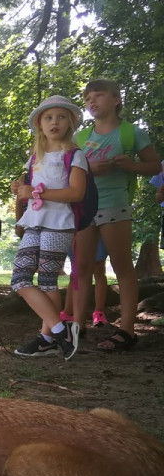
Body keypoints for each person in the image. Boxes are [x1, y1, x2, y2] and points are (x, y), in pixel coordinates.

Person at [73, 79, 161, 351]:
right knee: (82, 267)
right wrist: (89, 169)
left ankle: (126, 330)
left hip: (116, 205)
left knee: (122, 266)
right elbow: (66, 171)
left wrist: (131, 165)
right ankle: (77, 326)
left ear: (116, 99)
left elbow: (155, 166)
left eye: (98, 96)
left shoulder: (130, 133)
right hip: (85, 206)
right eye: (88, 98)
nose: (92, 102)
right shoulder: (79, 137)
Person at [9, 96, 87, 359]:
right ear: (39, 124)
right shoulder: (34, 158)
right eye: (48, 117)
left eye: (61, 117)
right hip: (34, 223)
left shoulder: (75, 156)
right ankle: (60, 331)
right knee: (19, 279)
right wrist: (21, 191)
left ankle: (47, 338)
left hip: (59, 224)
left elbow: (76, 193)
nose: (55, 122)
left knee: (47, 282)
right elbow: (27, 190)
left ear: (71, 123)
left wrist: (36, 192)